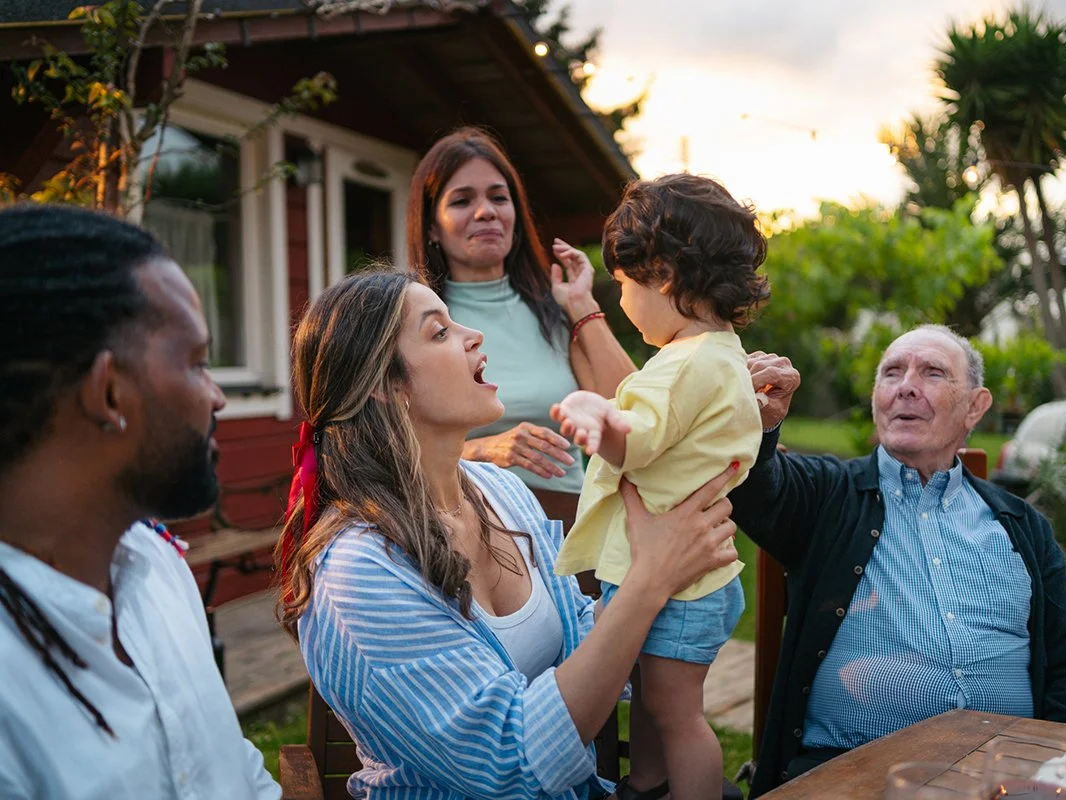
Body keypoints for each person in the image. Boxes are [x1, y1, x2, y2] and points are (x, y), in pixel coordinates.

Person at [275, 268, 740, 800]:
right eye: (440, 332)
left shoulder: (499, 491)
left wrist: (729, 414)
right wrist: (650, 579)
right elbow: (509, 764)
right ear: (384, 385)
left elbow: (583, 641)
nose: (473, 335)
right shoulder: (357, 571)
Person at [730, 325, 1066, 798]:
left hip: (1005, 779)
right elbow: (756, 486)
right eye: (892, 372)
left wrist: (1056, 768)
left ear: (975, 406)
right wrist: (759, 425)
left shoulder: (1021, 525)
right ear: (876, 400)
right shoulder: (828, 496)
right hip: (853, 777)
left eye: (932, 372)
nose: (906, 385)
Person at [0, 205, 279, 798]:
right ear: (109, 392)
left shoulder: (157, 571)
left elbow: (238, 771)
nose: (216, 398)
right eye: (198, 364)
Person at [551, 174, 771, 800]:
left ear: (665, 275)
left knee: (678, 717)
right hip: (693, 577)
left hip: (677, 583)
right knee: (650, 701)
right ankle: (646, 783)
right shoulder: (722, 352)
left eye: (622, 283)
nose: (620, 300)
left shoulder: (682, 364)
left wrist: (598, 419)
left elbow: (638, 438)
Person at [406, 127, 636, 529]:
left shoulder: (554, 312)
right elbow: (387, 450)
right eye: (462, 200)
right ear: (431, 227)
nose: (486, 211)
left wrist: (580, 304)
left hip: (568, 527)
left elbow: (634, 411)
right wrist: (483, 450)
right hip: (463, 529)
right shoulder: (415, 323)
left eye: (499, 197)